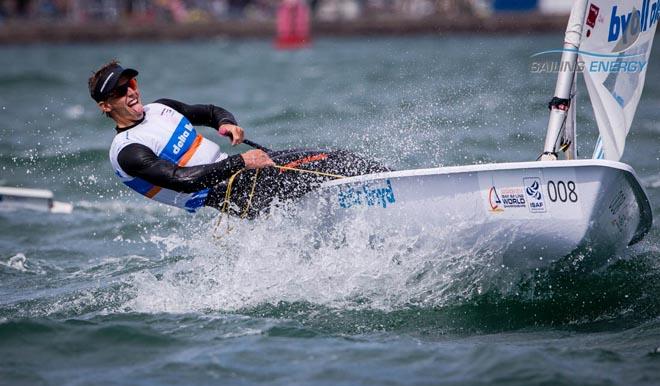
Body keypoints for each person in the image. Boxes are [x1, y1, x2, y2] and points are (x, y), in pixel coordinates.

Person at [88, 60, 274, 212]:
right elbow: (182, 180)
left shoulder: (160, 108)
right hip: (225, 194)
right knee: (303, 166)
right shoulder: (128, 150)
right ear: (105, 106)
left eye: (131, 84)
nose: (131, 92)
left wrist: (226, 122)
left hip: (241, 174)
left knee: (302, 166)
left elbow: (209, 113)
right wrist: (241, 161)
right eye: (120, 91)